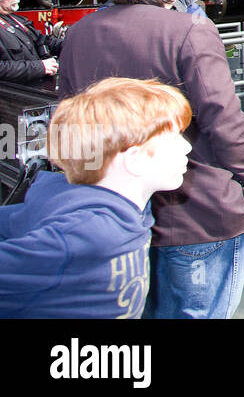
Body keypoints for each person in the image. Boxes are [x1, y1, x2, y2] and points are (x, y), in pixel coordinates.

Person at [57, 0, 244, 318]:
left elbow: (70, 120)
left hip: (115, 209)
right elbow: (222, 115)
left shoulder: (79, 32)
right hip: (193, 209)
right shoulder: (188, 30)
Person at [0, 77, 193, 319]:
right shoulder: (91, 231)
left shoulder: (129, 208)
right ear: (134, 159)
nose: (187, 148)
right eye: (175, 137)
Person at [0, 0, 62, 82]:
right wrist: (40, 67)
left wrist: (75, 42)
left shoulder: (17, 20)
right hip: (14, 95)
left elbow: (45, 41)